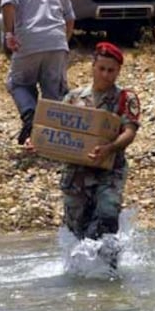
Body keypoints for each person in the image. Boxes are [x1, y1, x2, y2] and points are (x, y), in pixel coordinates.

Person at [59, 41, 140, 266]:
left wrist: (109, 148)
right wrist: (37, 144)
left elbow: (130, 131)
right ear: (92, 66)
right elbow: (56, 132)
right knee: (77, 229)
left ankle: (110, 272)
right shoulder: (74, 98)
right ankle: (80, 275)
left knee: (107, 218)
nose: (105, 75)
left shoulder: (126, 98)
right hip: (76, 174)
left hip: (109, 171)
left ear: (118, 71)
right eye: (101, 68)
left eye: (111, 70)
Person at [0, 0, 75, 144]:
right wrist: (62, 41)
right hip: (57, 41)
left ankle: (30, 115)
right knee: (54, 93)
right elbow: (70, 19)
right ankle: (55, 142)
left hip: (29, 40)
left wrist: (9, 34)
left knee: (19, 83)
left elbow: (8, 3)